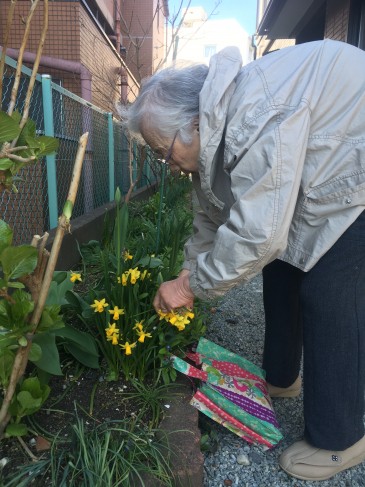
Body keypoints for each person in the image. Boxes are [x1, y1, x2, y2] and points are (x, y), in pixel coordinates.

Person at [121, 39, 365, 481]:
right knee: (282, 267)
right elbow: (211, 218)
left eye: (162, 151)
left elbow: (258, 233)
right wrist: (187, 272)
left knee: (329, 290)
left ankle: (340, 439)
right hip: (323, 167)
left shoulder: (254, 115)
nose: (166, 163)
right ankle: (282, 377)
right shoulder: (214, 133)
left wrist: (189, 288)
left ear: (193, 124)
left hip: (354, 169)